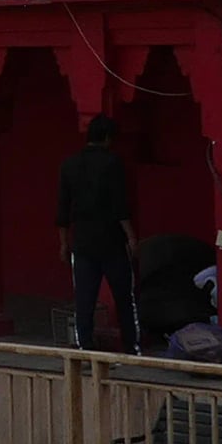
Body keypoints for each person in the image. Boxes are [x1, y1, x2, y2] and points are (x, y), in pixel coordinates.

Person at [57, 114, 137, 353]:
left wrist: (63, 243)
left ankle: (86, 346)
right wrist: (131, 236)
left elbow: (63, 208)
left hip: (82, 241)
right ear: (108, 138)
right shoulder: (112, 163)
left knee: (84, 299)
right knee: (124, 297)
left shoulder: (69, 165)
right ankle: (131, 346)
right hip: (111, 241)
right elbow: (119, 205)